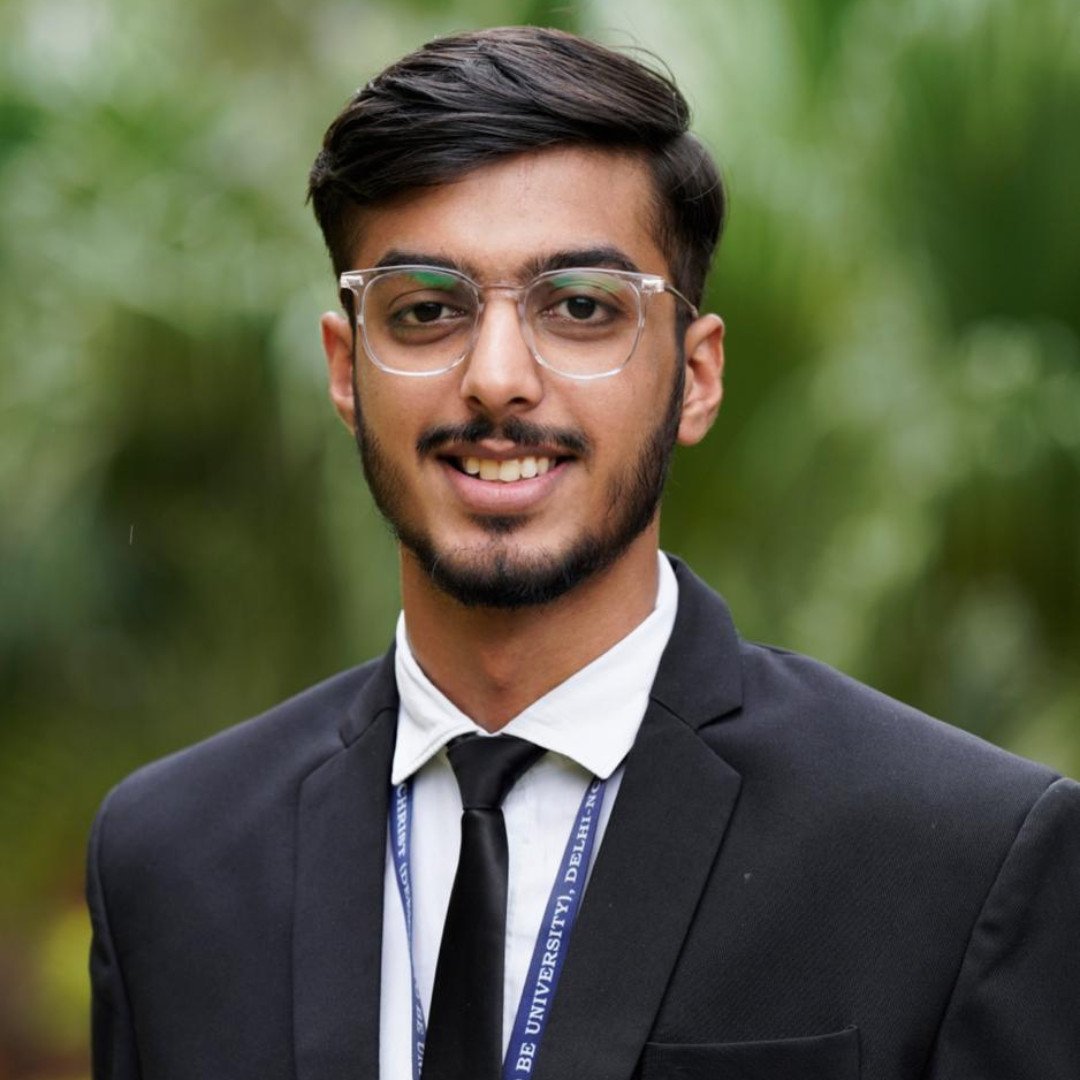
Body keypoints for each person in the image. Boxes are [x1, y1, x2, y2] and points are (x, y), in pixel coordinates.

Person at [86, 26, 1080, 1080]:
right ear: (345, 370)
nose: (497, 378)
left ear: (696, 377)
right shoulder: (171, 860)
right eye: (426, 310)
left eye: (579, 308)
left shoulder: (959, 856)